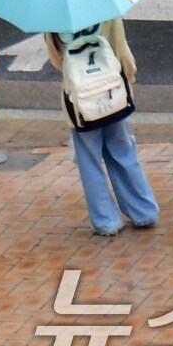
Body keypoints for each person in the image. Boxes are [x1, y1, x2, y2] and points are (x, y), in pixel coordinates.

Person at [45, 19, 159, 237]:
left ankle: (106, 221)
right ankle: (143, 211)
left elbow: (56, 59)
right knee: (124, 151)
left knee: (89, 160)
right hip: (112, 90)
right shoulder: (107, 12)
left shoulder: (53, 15)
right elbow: (122, 51)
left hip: (80, 99)